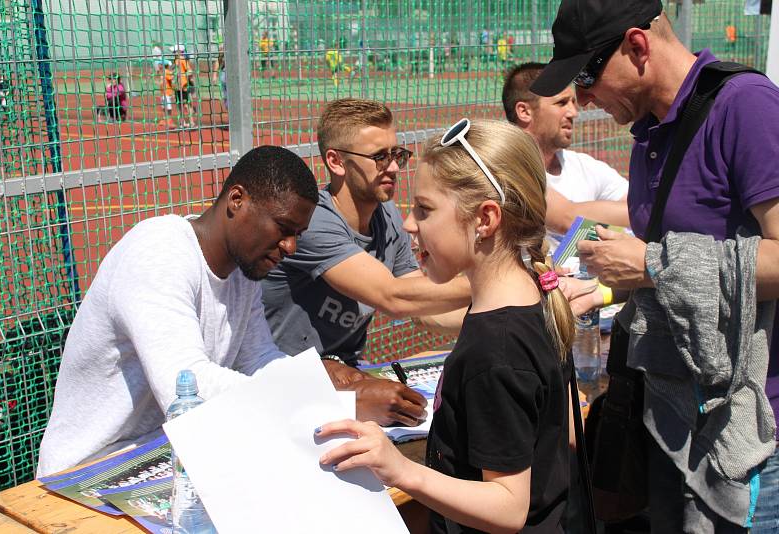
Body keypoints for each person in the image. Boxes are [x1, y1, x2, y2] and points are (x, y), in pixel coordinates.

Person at [531, 0, 779, 531]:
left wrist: (649, 265)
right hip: (675, 417)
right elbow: (669, 261)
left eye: (587, 79)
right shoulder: (650, 134)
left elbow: (665, 262)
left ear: (637, 46)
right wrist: (605, 290)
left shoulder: (746, 106)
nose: (584, 99)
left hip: (750, 430)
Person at [317, 119, 574, 533]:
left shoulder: (497, 351)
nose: (408, 224)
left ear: (485, 219)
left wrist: (401, 470)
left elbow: (508, 507)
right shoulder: (528, 299)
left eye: (425, 209)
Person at [36, 146, 319, 477]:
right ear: (237, 200)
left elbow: (260, 359)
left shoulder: (244, 272)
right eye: (283, 228)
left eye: (297, 235)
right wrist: (298, 401)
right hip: (88, 473)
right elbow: (185, 385)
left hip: (165, 457)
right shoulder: (159, 252)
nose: (290, 247)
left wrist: (325, 391)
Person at [261, 99, 471, 426]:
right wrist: (498, 277)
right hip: (284, 383)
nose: (394, 167)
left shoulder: (385, 215)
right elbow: (395, 297)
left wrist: (502, 313)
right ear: (336, 161)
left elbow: (423, 305)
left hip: (348, 373)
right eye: (379, 157)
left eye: (396, 154)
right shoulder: (313, 220)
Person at [503, 62, 629, 235]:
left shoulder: (582, 165)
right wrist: (641, 214)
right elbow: (568, 220)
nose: (573, 113)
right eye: (561, 103)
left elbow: (636, 204)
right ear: (524, 112)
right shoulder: (506, 170)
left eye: (572, 102)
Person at [172, 46, 195, 128]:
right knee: (179, 104)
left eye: (174, 51)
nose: (173, 53)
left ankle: (191, 122)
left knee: (186, 104)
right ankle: (182, 122)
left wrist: (185, 78)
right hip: (177, 87)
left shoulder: (182, 60)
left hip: (183, 86)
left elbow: (189, 71)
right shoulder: (175, 60)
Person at [212, 45, 227, 111]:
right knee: (226, 98)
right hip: (225, 74)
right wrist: (214, 75)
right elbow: (218, 60)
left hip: (234, 75)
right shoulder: (223, 46)